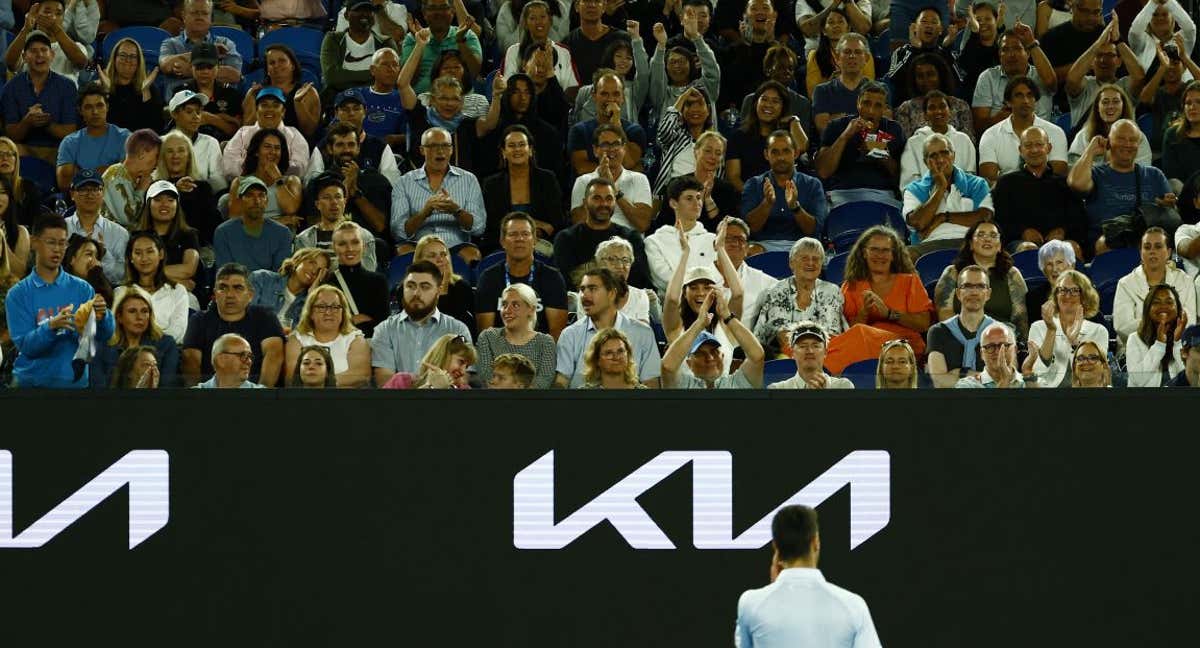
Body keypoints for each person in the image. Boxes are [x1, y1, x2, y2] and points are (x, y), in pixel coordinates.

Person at [735, 504, 881, 647]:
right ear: (816, 541)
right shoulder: (853, 606)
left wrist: (774, 589)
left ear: (776, 546)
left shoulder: (751, 604)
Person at [4, 214, 113, 388]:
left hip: (74, 388)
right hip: (29, 389)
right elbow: (26, 346)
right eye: (51, 242)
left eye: (62, 243)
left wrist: (103, 316)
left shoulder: (82, 289)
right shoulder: (18, 294)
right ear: (34, 243)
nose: (57, 249)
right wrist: (51, 327)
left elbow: (102, 336)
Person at [1070, 119, 1177, 255]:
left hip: (1146, 241)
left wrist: (1166, 205)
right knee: (1106, 243)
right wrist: (1091, 150)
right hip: (1104, 243)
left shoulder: (1153, 175)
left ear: (1138, 145)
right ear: (1109, 141)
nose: (1127, 144)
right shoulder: (1097, 174)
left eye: (1132, 140)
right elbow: (1076, 184)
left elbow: (1169, 218)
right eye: (1121, 139)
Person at [836, 226, 934, 372]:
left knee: (860, 333)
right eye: (874, 249)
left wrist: (889, 313)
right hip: (862, 347)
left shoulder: (909, 281)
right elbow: (846, 331)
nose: (879, 255)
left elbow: (924, 324)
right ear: (864, 253)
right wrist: (864, 313)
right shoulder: (851, 286)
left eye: (885, 250)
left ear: (893, 254)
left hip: (903, 346)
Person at [391, 127, 487, 263]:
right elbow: (398, 232)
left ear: (452, 150)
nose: (440, 151)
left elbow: (478, 227)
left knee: (471, 254)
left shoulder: (469, 179)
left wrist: (456, 211)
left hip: (456, 246)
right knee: (403, 252)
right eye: (433, 146)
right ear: (422, 150)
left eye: (445, 146)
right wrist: (424, 213)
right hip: (418, 245)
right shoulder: (404, 182)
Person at [181, 263, 285, 387]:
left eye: (238, 288)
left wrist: (260, 396)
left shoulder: (265, 316)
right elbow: (190, 359)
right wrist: (201, 398)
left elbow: (274, 355)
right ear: (215, 294)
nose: (230, 294)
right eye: (223, 287)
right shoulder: (199, 320)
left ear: (250, 295)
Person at [556, 267, 660, 387]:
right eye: (582, 289)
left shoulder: (642, 333)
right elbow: (561, 382)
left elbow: (651, 383)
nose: (584, 296)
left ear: (611, 294)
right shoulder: (570, 334)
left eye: (592, 289)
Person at [302, 122, 394, 256]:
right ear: (330, 149)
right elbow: (313, 225)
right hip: (327, 245)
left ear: (358, 148)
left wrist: (355, 192)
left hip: (366, 246)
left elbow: (379, 225)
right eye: (340, 145)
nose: (346, 150)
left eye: (351, 145)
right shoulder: (318, 183)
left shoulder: (376, 180)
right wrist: (344, 188)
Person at [371, 260, 472, 383]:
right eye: (410, 286)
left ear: (438, 291)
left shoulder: (458, 330)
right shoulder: (384, 330)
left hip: (444, 400)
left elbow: (461, 381)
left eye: (425, 287)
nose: (416, 293)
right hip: (398, 401)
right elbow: (385, 382)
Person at [992, 126, 1088, 254]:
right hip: (1019, 243)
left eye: (1039, 144)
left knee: (1072, 249)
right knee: (1027, 249)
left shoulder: (1065, 183)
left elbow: (1079, 218)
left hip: (1061, 241)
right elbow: (999, 219)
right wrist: (1022, 232)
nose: (1034, 150)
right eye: (1028, 145)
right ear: (1020, 150)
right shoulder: (1006, 183)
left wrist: (1062, 231)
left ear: (1048, 148)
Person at [475, 213, 568, 337]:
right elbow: (486, 335)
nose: (520, 239)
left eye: (525, 234)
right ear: (502, 241)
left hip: (541, 353)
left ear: (535, 240)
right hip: (500, 354)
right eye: (513, 234)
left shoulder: (552, 278)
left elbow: (556, 334)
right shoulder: (489, 278)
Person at [815, 82, 907, 208]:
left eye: (877, 106)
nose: (871, 111)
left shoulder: (894, 129)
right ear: (858, 103)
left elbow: (901, 177)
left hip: (883, 196)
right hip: (841, 196)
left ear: (884, 109)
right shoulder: (836, 126)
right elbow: (823, 171)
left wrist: (879, 153)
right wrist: (844, 136)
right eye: (866, 103)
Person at [903, 134, 994, 259]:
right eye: (933, 156)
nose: (940, 160)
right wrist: (940, 188)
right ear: (925, 162)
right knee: (905, 255)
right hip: (929, 244)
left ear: (953, 155)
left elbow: (984, 218)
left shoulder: (977, 183)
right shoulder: (914, 189)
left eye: (945, 153)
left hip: (970, 242)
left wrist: (943, 217)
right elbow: (918, 223)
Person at [752, 237, 846, 359]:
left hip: (824, 353)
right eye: (804, 258)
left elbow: (831, 333)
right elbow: (783, 336)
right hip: (781, 355)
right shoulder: (776, 291)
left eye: (816, 259)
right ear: (792, 263)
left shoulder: (831, 291)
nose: (811, 263)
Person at [932, 221, 1029, 336]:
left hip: (1000, 339)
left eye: (993, 236)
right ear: (971, 244)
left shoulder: (1012, 274)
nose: (987, 239)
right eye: (981, 235)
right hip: (960, 336)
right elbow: (945, 313)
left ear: (999, 246)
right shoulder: (952, 272)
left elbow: (1020, 318)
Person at [480, 125, 566, 254]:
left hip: (541, 244)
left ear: (530, 150)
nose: (517, 149)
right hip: (502, 246)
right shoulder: (492, 184)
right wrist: (534, 224)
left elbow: (557, 221)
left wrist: (539, 230)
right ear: (503, 152)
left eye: (521, 144)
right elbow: (492, 224)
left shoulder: (547, 179)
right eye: (511, 145)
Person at [554, 177, 653, 288]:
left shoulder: (630, 237)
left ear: (615, 202)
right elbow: (565, 282)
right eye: (597, 198)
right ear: (585, 202)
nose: (604, 204)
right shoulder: (566, 238)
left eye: (609, 198)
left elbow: (641, 281)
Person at [740, 130, 826, 253]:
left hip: (801, 246)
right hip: (762, 245)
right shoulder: (753, 184)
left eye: (786, 151)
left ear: (795, 153)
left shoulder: (812, 185)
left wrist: (795, 207)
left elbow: (814, 230)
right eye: (775, 152)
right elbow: (750, 229)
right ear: (766, 155)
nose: (781, 157)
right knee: (751, 250)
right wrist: (767, 203)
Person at [661, 289, 764, 388]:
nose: (710, 358)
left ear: (722, 356)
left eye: (714, 352)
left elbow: (757, 357)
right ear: (689, 363)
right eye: (700, 353)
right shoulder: (684, 386)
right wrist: (699, 324)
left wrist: (727, 316)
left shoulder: (736, 384)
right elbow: (667, 367)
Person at [0, 31, 77, 163]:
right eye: (33, 51)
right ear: (24, 56)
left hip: (58, 149)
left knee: (70, 154)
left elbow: (70, 132)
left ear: (52, 55)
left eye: (43, 50)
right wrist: (27, 122)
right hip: (24, 148)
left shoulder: (67, 86)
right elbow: (11, 135)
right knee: (10, 152)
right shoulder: (11, 87)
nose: (39, 55)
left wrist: (47, 124)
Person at [977, 76, 1069, 186]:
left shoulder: (1055, 132)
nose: (1025, 101)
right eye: (1019, 95)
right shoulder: (990, 135)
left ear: (1035, 100)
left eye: (1030, 95)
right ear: (1008, 102)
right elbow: (988, 180)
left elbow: (1059, 174)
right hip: (1006, 197)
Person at [1024, 269, 1109, 387]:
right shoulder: (1038, 327)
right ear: (1055, 295)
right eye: (1062, 290)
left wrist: (1074, 344)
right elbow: (1039, 371)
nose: (1067, 295)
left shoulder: (1099, 331)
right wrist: (1051, 330)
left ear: (1084, 296)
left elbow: (1095, 374)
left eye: (1074, 291)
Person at [927, 263, 1006, 387]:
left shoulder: (1002, 332)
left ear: (988, 294)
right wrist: (985, 379)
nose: (974, 292)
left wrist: (962, 373)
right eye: (967, 286)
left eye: (980, 286)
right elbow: (939, 382)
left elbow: (1005, 380)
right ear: (958, 293)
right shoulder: (938, 331)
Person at [478, 73, 565, 184]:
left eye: (527, 92)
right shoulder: (495, 130)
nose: (522, 97)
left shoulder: (548, 134)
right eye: (516, 92)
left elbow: (556, 174)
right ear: (507, 95)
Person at [1113, 227, 1198, 341]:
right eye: (1147, 247)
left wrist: (1159, 327)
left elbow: (1189, 322)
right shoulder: (1125, 284)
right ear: (1141, 253)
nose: (1152, 251)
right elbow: (1122, 327)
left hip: (1176, 346)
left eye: (1158, 247)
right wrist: (1160, 329)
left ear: (1168, 252)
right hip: (1137, 348)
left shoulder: (1184, 281)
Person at [88, 285, 180, 388]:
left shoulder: (166, 344)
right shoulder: (102, 345)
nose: (139, 317)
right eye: (132, 311)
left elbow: (166, 387)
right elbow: (98, 388)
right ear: (119, 317)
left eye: (144, 311)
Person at [1064, 16, 1145, 132]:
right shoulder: (1086, 84)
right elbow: (1071, 80)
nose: (1103, 60)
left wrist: (1118, 40)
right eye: (1099, 55)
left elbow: (1139, 76)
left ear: (1119, 62)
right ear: (1091, 62)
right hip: (1086, 144)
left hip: (1123, 143)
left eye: (1110, 55)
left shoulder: (1125, 85)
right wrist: (1099, 42)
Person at [569, 123, 653, 232]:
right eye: (605, 144)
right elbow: (578, 224)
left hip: (628, 243)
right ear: (595, 150)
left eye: (616, 144)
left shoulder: (639, 179)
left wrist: (613, 189)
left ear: (624, 148)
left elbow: (643, 225)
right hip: (594, 242)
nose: (611, 149)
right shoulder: (583, 181)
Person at [972, 28, 1059, 133]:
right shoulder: (988, 77)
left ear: (1028, 52)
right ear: (999, 55)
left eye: (1017, 48)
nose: (1011, 54)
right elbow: (979, 126)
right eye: (1005, 49)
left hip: (1041, 141)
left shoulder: (1041, 75)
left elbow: (1052, 83)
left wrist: (1031, 43)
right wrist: (1000, 118)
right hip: (1001, 140)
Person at [285, 285, 371, 388]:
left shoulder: (356, 339)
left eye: (335, 307)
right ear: (311, 312)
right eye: (321, 307)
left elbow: (361, 376)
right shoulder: (296, 339)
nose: (328, 312)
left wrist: (317, 382)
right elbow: (293, 378)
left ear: (343, 313)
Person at [728, 81, 805, 193]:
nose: (768, 105)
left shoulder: (787, 136)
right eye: (764, 99)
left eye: (775, 101)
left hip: (788, 196)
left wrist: (794, 120)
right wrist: (754, 197)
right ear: (756, 103)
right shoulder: (738, 137)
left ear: (783, 107)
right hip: (752, 198)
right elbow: (733, 177)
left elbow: (801, 147)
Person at [475, 282, 558, 387]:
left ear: (531, 310)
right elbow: (487, 378)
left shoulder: (545, 342)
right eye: (504, 304)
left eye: (515, 305)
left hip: (533, 401)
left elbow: (543, 382)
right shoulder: (488, 337)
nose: (507, 310)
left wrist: (518, 398)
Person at [223, 87, 311, 183]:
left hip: (282, 188)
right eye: (264, 105)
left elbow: (300, 169)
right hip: (246, 186)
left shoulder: (294, 134)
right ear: (256, 111)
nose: (269, 110)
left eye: (275, 105)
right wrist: (260, 173)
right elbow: (229, 167)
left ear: (283, 112)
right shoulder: (243, 133)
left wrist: (266, 171)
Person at [647, 176, 718, 294]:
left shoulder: (713, 240)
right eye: (689, 198)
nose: (697, 203)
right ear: (674, 203)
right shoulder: (655, 241)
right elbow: (664, 280)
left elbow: (719, 277)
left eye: (699, 198)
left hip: (711, 302)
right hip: (672, 305)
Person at [152, 129, 220, 252]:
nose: (175, 156)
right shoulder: (154, 188)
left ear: (189, 156)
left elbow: (211, 227)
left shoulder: (203, 188)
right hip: (161, 249)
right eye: (169, 151)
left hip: (198, 249)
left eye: (181, 150)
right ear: (162, 157)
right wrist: (174, 188)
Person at [295, 171, 378, 272]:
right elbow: (304, 275)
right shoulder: (304, 239)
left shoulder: (364, 236)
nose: (334, 202)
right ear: (317, 204)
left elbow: (368, 274)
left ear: (345, 202)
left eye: (338, 197)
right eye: (327, 198)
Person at [321, 0, 400, 106]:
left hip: (377, 99)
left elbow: (391, 77)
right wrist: (375, 74)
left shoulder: (385, 42)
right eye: (358, 10)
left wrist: (345, 78)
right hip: (341, 100)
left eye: (368, 11)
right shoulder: (333, 39)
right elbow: (331, 77)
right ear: (346, 15)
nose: (364, 14)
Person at [567, 72, 647, 176]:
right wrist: (621, 172)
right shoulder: (579, 131)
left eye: (616, 94)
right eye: (604, 94)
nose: (610, 99)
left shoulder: (635, 131)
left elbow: (628, 163)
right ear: (594, 96)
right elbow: (582, 168)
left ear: (623, 97)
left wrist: (617, 125)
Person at [158, 0, 244, 97]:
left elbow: (234, 76)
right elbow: (165, 66)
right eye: (194, 13)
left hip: (218, 105)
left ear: (211, 18)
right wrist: (207, 52)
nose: (199, 17)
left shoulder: (225, 43)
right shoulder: (170, 43)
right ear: (184, 16)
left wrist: (191, 70)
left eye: (204, 13)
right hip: (179, 106)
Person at [54, 83, 130, 192]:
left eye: (99, 105)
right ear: (80, 111)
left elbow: (129, 178)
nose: (95, 112)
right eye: (89, 107)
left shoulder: (125, 138)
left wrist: (82, 173)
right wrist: (110, 169)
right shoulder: (69, 142)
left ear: (107, 107)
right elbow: (64, 183)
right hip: (80, 200)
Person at [399, 0, 483, 95]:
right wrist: (420, 45)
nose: (438, 12)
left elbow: (474, 73)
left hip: (459, 99)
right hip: (422, 101)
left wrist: (460, 40)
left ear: (452, 11)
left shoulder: (467, 35)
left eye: (443, 7)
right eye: (433, 8)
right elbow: (408, 81)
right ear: (424, 13)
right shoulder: (412, 38)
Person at [120, 230, 191, 341]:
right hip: (130, 351)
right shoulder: (121, 292)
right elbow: (119, 331)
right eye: (138, 253)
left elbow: (178, 331)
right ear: (131, 258)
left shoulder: (177, 290)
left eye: (150, 252)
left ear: (161, 254)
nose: (144, 258)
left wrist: (152, 344)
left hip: (167, 351)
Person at [225, 127, 304, 227]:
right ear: (256, 152)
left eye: (277, 148)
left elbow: (291, 209)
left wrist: (278, 179)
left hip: (281, 236)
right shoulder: (239, 182)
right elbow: (234, 218)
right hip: (250, 235)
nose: (273, 152)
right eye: (267, 147)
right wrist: (278, 221)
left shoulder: (291, 181)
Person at [213, 176, 293, 273]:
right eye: (250, 195)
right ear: (240, 200)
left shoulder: (283, 233)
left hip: (271, 287)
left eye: (261, 195)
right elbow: (225, 274)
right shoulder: (223, 232)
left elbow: (280, 275)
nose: (256, 201)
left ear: (266, 201)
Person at [647, 14, 720, 120]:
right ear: (665, 67)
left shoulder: (704, 88)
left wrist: (696, 37)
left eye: (682, 61)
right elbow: (656, 76)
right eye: (672, 62)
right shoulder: (662, 95)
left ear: (691, 65)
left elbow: (711, 68)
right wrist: (661, 46)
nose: (677, 65)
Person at [899, 90, 978, 188]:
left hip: (959, 197)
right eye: (932, 108)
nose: (938, 111)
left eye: (942, 106)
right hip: (926, 199)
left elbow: (970, 176)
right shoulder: (913, 143)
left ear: (950, 111)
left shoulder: (964, 140)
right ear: (925, 115)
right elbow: (909, 182)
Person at [132, 180, 200, 292]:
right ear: (148, 204)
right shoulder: (136, 237)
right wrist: (176, 281)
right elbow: (133, 273)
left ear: (177, 205)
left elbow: (188, 269)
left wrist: (148, 274)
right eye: (158, 200)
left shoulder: (189, 235)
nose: (164, 204)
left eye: (170, 200)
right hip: (145, 293)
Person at [570, 30, 648, 128]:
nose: (623, 61)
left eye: (628, 58)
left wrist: (636, 39)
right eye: (619, 56)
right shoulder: (585, 91)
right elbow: (579, 125)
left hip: (625, 140)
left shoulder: (634, 89)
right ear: (610, 57)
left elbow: (643, 73)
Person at [65, 169, 128, 287]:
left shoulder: (120, 233)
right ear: (72, 194)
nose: (90, 194)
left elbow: (122, 278)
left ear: (103, 193)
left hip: (106, 295)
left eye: (95, 189)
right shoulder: (62, 230)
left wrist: (104, 254)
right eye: (83, 189)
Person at [652, 86, 720, 197]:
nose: (695, 109)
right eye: (689, 104)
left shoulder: (717, 144)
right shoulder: (674, 138)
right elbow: (664, 130)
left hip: (705, 199)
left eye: (700, 104)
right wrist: (683, 96)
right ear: (682, 112)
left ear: (708, 110)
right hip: (672, 198)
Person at [501, 1, 580, 95]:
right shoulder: (513, 51)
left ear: (550, 21)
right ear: (525, 23)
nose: (539, 22)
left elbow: (572, 88)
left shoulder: (564, 52)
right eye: (533, 18)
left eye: (543, 17)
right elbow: (507, 86)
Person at [326, 222, 390, 338]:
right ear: (334, 248)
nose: (350, 249)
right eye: (342, 244)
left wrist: (347, 322)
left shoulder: (378, 281)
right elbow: (326, 327)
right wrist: (360, 320)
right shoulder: (327, 283)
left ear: (363, 246)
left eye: (355, 242)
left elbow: (383, 327)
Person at [242, 45, 320, 140]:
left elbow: (309, 132)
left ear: (293, 65)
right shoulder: (254, 92)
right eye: (271, 63)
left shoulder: (308, 92)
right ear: (267, 70)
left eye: (282, 61)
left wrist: (298, 103)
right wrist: (255, 100)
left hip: (297, 146)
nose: (276, 65)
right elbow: (246, 130)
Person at [3, 0, 89, 84]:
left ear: (63, 18)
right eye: (47, 12)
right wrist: (25, 29)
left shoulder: (77, 46)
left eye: (58, 14)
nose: (53, 17)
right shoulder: (25, 47)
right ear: (36, 15)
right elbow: (10, 64)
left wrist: (57, 30)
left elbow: (81, 63)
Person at [894, 54, 974, 140]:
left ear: (941, 75)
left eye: (930, 74)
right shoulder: (906, 108)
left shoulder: (960, 106)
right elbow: (905, 145)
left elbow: (968, 141)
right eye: (920, 76)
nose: (926, 80)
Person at [1067, 84, 1151, 165]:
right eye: (1105, 102)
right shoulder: (1083, 135)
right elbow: (1073, 169)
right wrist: (1090, 154)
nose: (1110, 106)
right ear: (1097, 108)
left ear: (1123, 106)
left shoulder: (1138, 136)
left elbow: (1144, 169)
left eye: (1116, 102)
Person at [250, 246, 331, 329]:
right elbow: (245, 316)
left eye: (319, 271)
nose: (314, 271)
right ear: (298, 260)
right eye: (312, 263)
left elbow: (307, 333)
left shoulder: (308, 303)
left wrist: (312, 296)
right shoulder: (262, 279)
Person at [163, 90, 227, 196]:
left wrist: (192, 187)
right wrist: (175, 186)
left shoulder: (210, 143)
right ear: (174, 114)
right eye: (189, 112)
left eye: (198, 112)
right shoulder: (161, 143)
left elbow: (219, 182)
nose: (195, 117)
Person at [804, 6, 876, 99]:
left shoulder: (864, 54)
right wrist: (832, 83)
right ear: (824, 31)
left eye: (840, 21)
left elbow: (869, 87)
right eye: (831, 22)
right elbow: (812, 94)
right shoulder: (814, 56)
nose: (836, 25)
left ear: (848, 28)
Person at [412, 233, 475, 338]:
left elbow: (465, 327)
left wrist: (444, 284)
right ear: (419, 261)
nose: (440, 259)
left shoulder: (462, 288)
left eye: (443, 254)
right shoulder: (409, 290)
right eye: (432, 256)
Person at [177, 41, 243, 141]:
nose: (205, 71)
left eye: (210, 66)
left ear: (218, 66)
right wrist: (221, 118)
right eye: (200, 67)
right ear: (191, 67)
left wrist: (210, 118)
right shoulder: (180, 92)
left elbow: (236, 132)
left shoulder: (231, 95)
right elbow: (176, 127)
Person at [1126, 283, 1189, 386]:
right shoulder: (1135, 339)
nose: (1163, 307)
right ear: (1147, 308)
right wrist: (1159, 345)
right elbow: (1137, 380)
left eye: (1169, 302)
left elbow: (1191, 380)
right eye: (1156, 302)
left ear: (1178, 309)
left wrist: (1177, 342)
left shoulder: (1188, 339)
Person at [811, 33, 874, 136]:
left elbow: (883, 125)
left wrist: (840, 118)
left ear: (866, 58)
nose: (852, 56)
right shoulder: (822, 91)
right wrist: (864, 120)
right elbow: (823, 128)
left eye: (857, 52)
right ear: (837, 58)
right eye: (847, 52)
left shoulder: (879, 89)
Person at [101, 128, 161, 228]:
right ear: (142, 154)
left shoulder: (138, 179)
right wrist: (141, 190)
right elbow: (127, 218)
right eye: (156, 156)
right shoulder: (115, 175)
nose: (157, 162)